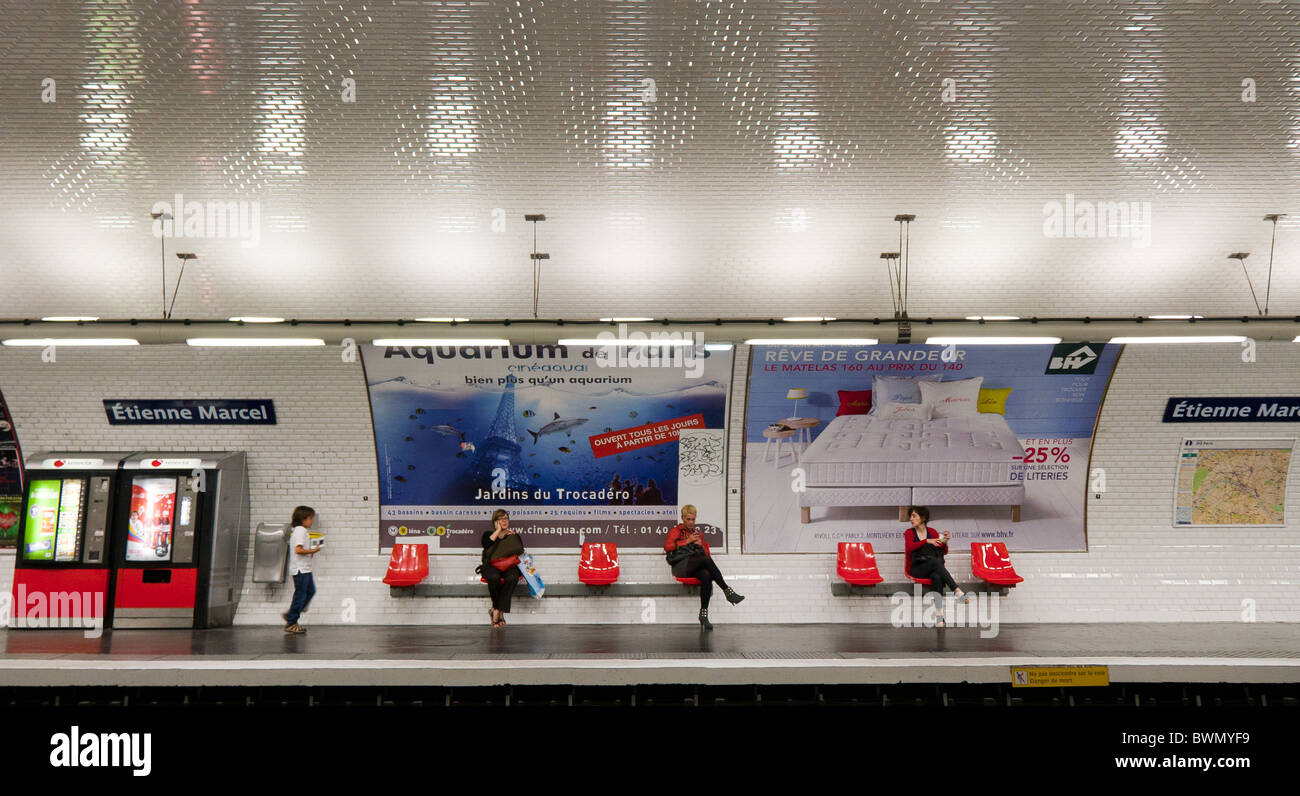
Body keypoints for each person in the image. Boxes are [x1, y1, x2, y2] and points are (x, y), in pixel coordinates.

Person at [663, 504, 743, 630]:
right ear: (683, 518)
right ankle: (728, 591)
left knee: (706, 575)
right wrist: (687, 541)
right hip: (680, 567)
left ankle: (703, 615)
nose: (691, 522)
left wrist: (701, 546)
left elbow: (702, 556)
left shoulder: (696, 534)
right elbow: (667, 547)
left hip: (694, 565)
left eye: (693, 519)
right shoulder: (676, 531)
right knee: (706, 562)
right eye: (688, 519)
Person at [902, 505, 971, 627]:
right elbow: (909, 548)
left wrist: (945, 541)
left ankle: (939, 618)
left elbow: (943, 550)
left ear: (923, 518)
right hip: (917, 568)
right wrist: (927, 541)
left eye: (914, 516)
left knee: (937, 577)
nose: (911, 519)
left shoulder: (932, 532)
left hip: (931, 567)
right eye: (910, 516)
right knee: (935, 563)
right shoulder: (909, 533)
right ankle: (957, 590)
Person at [480, 509, 523, 628]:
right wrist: (498, 530)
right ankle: (499, 611)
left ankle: (496, 610)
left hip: (509, 565)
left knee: (513, 577)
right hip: (491, 565)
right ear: (495, 521)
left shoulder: (513, 535)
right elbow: (486, 544)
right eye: (501, 519)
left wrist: (513, 538)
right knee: (493, 577)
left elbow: (520, 550)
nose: (505, 521)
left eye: (506, 518)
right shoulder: (488, 535)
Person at [284, 506, 322, 634]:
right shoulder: (300, 531)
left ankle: (291, 614)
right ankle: (291, 622)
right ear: (302, 519)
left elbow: (300, 550)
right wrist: (313, 550)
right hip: (300, 570)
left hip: (305, 569)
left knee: (310, 591)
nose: (311, 521)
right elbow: (298, 550)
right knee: (301, 595)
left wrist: (310, 552)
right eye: (310, 518)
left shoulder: (301, 531)